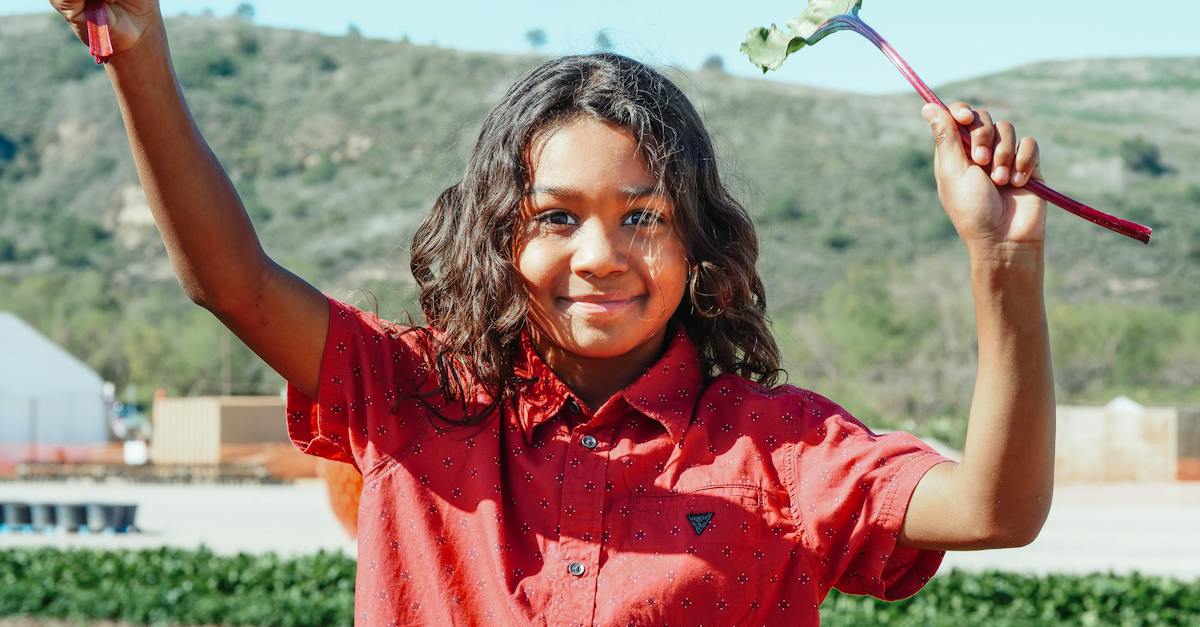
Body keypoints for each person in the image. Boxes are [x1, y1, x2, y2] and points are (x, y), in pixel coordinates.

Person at [51, 1, 1055, 624]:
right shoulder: (410, 400)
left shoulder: (779, 451)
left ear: (697, 239)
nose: (599, 255)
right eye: (555, 218)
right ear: (499, 237)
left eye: (643, 217)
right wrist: (138, 53)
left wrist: (1003, 261)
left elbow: (995, 512)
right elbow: (230, 283)